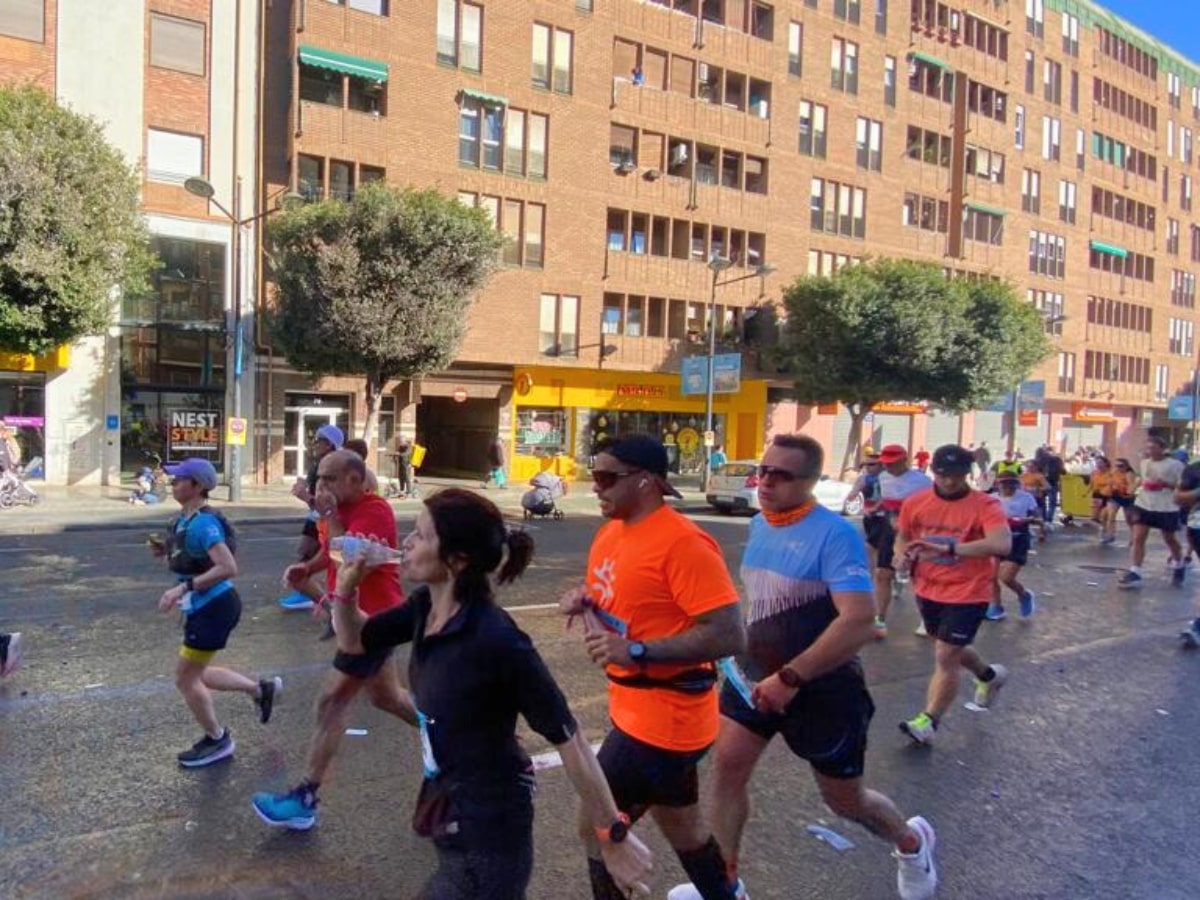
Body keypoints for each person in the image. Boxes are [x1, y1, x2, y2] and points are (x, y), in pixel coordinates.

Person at [318, 490, 654, 898]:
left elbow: (572, 739)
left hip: (492, 825)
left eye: (421, 536)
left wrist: (613, 834)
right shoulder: (426, 606)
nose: (406, 542)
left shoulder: (498, 641)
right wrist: (347, 588)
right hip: (449, 803)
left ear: (457, 561)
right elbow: (354, 642)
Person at [668, 435, 937, 900]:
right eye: (763, 469)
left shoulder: (835, 535)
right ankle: (725, 885)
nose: (765, 481)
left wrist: (791, 677)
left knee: (845, 800)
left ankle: (911, 844)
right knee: (727, 771)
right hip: (753, 678)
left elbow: (858, 621)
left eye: (780, 475)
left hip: (821, 688)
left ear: (812, 481)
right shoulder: (760, 523)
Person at [558, 433, 747, 900]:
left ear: (646, 482)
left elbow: (728, 634)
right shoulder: (611, 532)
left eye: (605, 477)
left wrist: (637, 651)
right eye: (593, 473)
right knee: (682, 826)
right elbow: (616, 597)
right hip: (634, 709)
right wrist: (583, 601)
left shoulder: (684, 543)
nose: (595, 486)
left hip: (667, 721)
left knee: (597, 827)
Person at [253, 450, 415, 829]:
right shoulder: (340, 511)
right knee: (386, 698)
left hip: (371, 621)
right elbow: (330, 552)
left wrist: (325, 513)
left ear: (355, 480)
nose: (320, 486)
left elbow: (347, 555)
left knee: (331, 701)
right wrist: (306, 568)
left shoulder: (374, 510)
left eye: (329, 479)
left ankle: (305, 797)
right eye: (319, 479)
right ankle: (451, 732)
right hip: (357, 617)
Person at [152, 458, 281, 767]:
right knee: (197, 674)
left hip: (215, 607)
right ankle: (258, 689)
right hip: (205, 607)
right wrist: (167, 552)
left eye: (179, 480)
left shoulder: (203, 524)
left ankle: (217, 739)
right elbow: (193, 557)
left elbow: (228, 567)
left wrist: (181, 589)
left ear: (197, 486)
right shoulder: (186, 519)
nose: (173, 484)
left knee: (185, 679)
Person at [895, 445, 1012, 745]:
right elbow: (904, 535)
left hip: (969, 590)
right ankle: (988, 676)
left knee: (945, 656)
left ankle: (928, 721)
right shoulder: (916, 502)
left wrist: (950, 549)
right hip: (928, 586)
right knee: (949, 646)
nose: (949, 482)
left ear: (968, 473)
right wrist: (902, 556)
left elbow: (1001, 544)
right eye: (943, 475)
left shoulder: (985, 505)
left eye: (957, 476)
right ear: (933, 471)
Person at [860, 445, 931, 640]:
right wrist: (875, 508)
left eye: (892, 464)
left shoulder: (922, 482)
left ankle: (927, 619)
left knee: (919, 577)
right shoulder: (883, 478)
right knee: (882, 573)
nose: (888, 467)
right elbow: (886, 500)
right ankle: (879, 619)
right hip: (889, 529)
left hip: (916, 532)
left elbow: (933, 507)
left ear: (904, 460)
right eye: (885, 463)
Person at [278, 424, 344, 611]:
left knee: (321, 556)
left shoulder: (334, 466)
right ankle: (312, 594)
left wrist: (305, 496)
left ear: (330, 444)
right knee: (306, 553)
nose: (315, 444)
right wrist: (304, 487)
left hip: (324, 518)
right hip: (315, 516)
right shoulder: (319, 464)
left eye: (319, 440)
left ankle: (321, 598)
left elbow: (328, 503)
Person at [1118, 435, 1187, 589]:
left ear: (1163, 449)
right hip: (1144, 503)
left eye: (1154, 448)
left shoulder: (1175, 465)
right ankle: (1135, 570)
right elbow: (1142, 480)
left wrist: (1166, 484)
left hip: (1166, 506)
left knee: (1169, 538)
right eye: (1148, 448)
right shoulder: (1144, 463)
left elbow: (1181, 486)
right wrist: (1137, 486)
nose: (1150, 451)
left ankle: (1179, 563)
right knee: (1138, 537)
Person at [986, 476, 1039, 621]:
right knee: (990, 576)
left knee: (1006, 577)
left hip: (1018, 538)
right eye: (1004, 485)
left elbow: (1036, 515)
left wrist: (1026, 520)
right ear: (998, 485)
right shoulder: (991, 499)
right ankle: (996, 607)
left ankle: (1023, 595)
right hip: (997, 538)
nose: (1008, 488)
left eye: (1012, 485)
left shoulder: (1026, 497)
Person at [1019, 461, 1051, 541]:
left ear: (1036, 467)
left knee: (1039, 517)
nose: (1030, 468)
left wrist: (1037, 489)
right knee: (1025, 516)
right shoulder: (1023, 476)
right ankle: (1026, 533)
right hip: (1025, 499)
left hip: (1037, 498)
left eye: (1032, 466)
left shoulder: (1039, 476)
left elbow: (1048, 487)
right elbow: (1019, 486)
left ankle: (1042, 533)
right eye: (1028, 466)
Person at [1090, 456, 1118, 544]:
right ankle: (1103, 530)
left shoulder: (1111, 473)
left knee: (1106, 515)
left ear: (1106, 463)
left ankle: (1110, 534)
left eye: (1100, 463)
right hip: (1097, 496)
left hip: (1109, 497)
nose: (1098, 465)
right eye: (1097, 463)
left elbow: (1115, 484)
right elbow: (1092, 484)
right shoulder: (1094, 473)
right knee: (1096, 517)